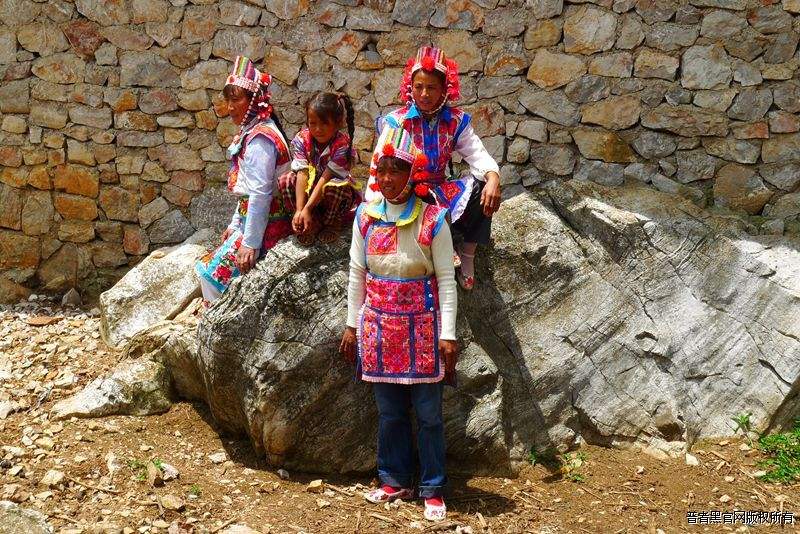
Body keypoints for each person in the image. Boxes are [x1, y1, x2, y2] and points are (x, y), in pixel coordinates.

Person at [340, 126, 458, 522]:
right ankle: (394, 478)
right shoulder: (365, 217)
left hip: (423, 329)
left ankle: (433, 486)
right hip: (378, 328)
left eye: (397, 170)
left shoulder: (433, 220)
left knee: (428, 414)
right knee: (389, 412)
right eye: (382, 170)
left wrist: (448, 334)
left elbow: (446, 279)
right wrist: (351, 326)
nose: (388, 178)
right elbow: (357, 272)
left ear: (413, 174)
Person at [365, 46, 502, 290]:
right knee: (421, 194)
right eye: (419, 87)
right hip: (408, 191)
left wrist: (493, 178)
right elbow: (379, 166)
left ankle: (467, 251)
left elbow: (477, 153)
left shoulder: (455, 121)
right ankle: (440, 249)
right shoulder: (398, 121)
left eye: (432, 88)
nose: (425, 94)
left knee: (482, 186)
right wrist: (375, 211)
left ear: (444, 90)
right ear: (410, 86)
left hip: (440, 189)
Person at [195, 56, 293, 303]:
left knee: (211, 277)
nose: (229, 107)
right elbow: (248, 193)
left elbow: (260, 194)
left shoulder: (262, 138)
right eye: (227, 100)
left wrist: (249, 244)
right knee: (209, 268)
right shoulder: (252, 132)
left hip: (269, 226)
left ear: (254, 100)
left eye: (236, 99)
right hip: (254, 220)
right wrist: (235, 223)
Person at [278, 92, 359, 245]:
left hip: (331, 194)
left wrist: (308, 207)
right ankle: (308, 222)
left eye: (324, 123)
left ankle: (332, 223)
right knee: (286, 179)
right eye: (313, 123)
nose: (318, 129)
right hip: (310, 191)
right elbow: (302, 173)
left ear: (337, 123)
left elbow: (325, 178)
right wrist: (300, 209)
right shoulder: (302, 139)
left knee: (335, 185)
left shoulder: (342, 145)